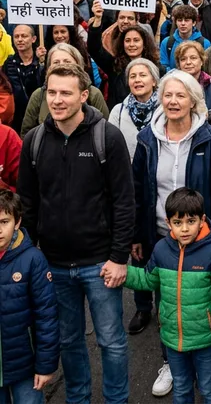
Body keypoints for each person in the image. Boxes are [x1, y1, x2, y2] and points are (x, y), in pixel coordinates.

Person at [17, 63, 134, 404]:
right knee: (68, 341)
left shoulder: (107, 137)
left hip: (100, 264)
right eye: (51, 92)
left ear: (84, 96)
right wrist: (29, 256)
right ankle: (77, 399)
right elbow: (27, 204)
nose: (57, 100)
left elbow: (124, 201)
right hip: (53, 264)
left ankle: (116, 400)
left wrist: (119, 258)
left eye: (65, 93)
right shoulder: (34, 141)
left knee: (111, 341)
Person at [130, 68, 211, 396]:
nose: (173, 101)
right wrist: (136, 234)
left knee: (201, 302)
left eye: (180, 95)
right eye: (168, 95)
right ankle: (170, 362)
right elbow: (137, 189)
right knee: (168, 302)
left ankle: (204, 362)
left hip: (202, 240)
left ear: (193, 100)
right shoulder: (147, 138)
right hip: (161, 236)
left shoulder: (210, 138)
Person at [124, 188, 211, 404]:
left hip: (205, 338)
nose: (184, 228)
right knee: (181, 388)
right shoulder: (161, 250)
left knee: (209, 389)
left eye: (191, 221)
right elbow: (147, 280)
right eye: (178, 222)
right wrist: (122, 273)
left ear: (202, 220)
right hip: (173, 339)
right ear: (168, 222)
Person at [0, 189, 59, 404]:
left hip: (24, 364)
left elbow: (46, 316)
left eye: (4, 221)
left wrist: (45, 365)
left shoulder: (33, 259)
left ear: (17, 222)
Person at [20, 44, 108, 136]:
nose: (61, 66)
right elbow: (26, 133)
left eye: (67, 62)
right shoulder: (38, 95)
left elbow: (104, 130)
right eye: (56, 62)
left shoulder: (93, 94)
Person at [88, 2, 161, 108]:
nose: (131, 44)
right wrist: (98, 19)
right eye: (127, 41)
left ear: (144, 44)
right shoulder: (114, 65)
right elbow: (94, 49)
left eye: (136, 40)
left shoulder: (157, 68)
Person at [107, 58, 160, 161]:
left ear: (154, 81)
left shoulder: (164, 110)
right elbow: (111, 146)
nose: (137, 80)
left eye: (143, 75)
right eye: (132, 76)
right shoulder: (118, 111)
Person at [3, 25, 44, 135]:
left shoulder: (41, 62)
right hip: (16, 118)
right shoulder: (9, 63)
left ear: (33, 39)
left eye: (24, 36)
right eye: (16, 36)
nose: (20, 39)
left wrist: (39, 63)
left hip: (38, 115)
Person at [174, 41, 211, 124]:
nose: (188, 62)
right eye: (183, 59)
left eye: (193, 58)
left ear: (201, 61)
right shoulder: (172, 85)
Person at [159, 4, 211, 71]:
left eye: (186, 20)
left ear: (194, 23)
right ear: (175, 22)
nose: (183, 23)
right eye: (180, 20)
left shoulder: (204, 43)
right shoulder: (166, 42)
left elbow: (206, 67)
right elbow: (164, 66)